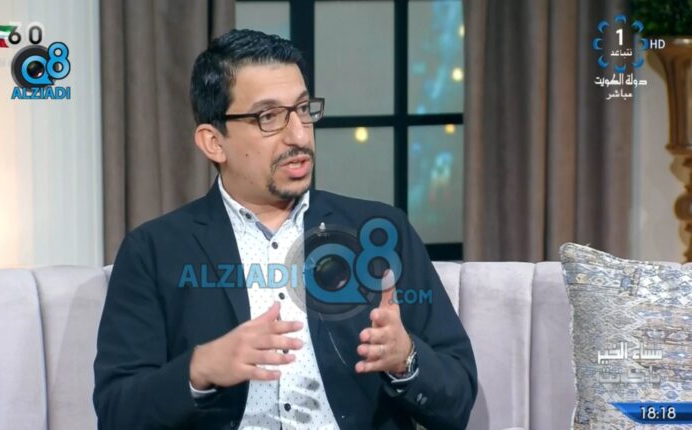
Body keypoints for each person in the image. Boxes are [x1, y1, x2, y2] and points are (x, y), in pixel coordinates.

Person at [93, 29, 477, 430]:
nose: (299, 135)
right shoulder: (154, 251)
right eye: (269, 117)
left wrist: (406, 359)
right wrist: (199, 369)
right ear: (213, 142)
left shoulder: (378, 233)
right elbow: (117, 412)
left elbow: (458, 400)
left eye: (303, 110)